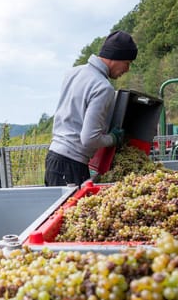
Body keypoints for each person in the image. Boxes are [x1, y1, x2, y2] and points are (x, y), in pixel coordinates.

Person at [44, 30, 137, 187]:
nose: (127, 69)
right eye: (127, 63)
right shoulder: (102, 87)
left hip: (54, 158)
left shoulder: (73, 73)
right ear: (116, 57)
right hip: (72, 164)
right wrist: (113, 138)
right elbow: (89, 139)